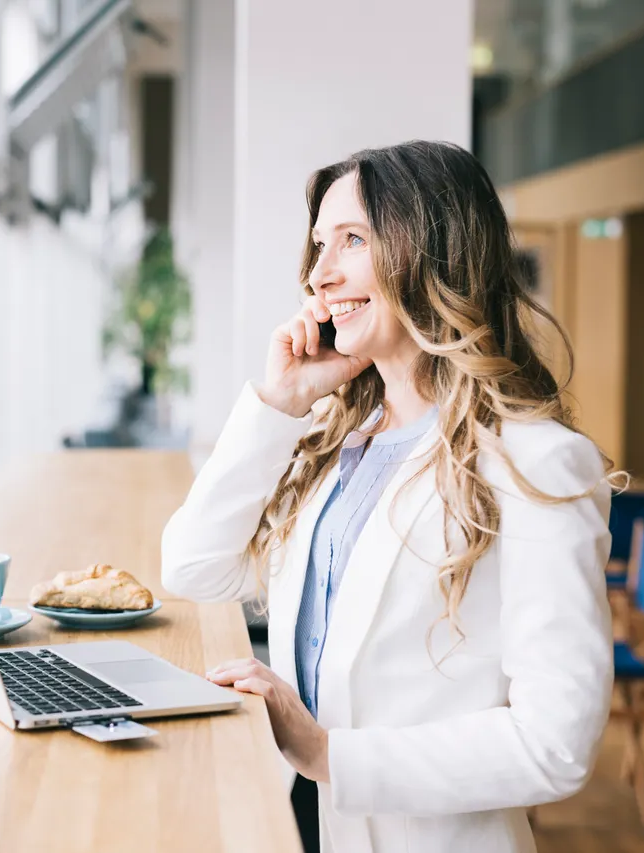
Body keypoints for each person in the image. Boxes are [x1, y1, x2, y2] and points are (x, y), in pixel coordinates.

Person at [161, 141, 619, 853]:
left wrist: (326, 754)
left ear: (433, 254)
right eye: (319, 245)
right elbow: (192, 567)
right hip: (305, 824)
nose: (319, 274)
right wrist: (278, 404)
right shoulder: (338, 440)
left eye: (352, 240)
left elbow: (557, 741)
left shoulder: (540, 463)